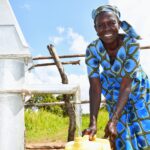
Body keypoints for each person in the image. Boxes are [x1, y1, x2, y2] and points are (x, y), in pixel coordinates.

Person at [82, 4, 150, 150]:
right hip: (114, 92)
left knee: (143, 132)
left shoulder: (131, 45)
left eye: (111, 23)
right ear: (96, 29)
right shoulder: (92, 50)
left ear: (119, 24)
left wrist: (113, 119)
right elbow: (95, 87)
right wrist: (93, 123)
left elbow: (126, 85)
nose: (106, 28)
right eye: (101, 25)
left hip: (137, 91)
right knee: (119, 136)